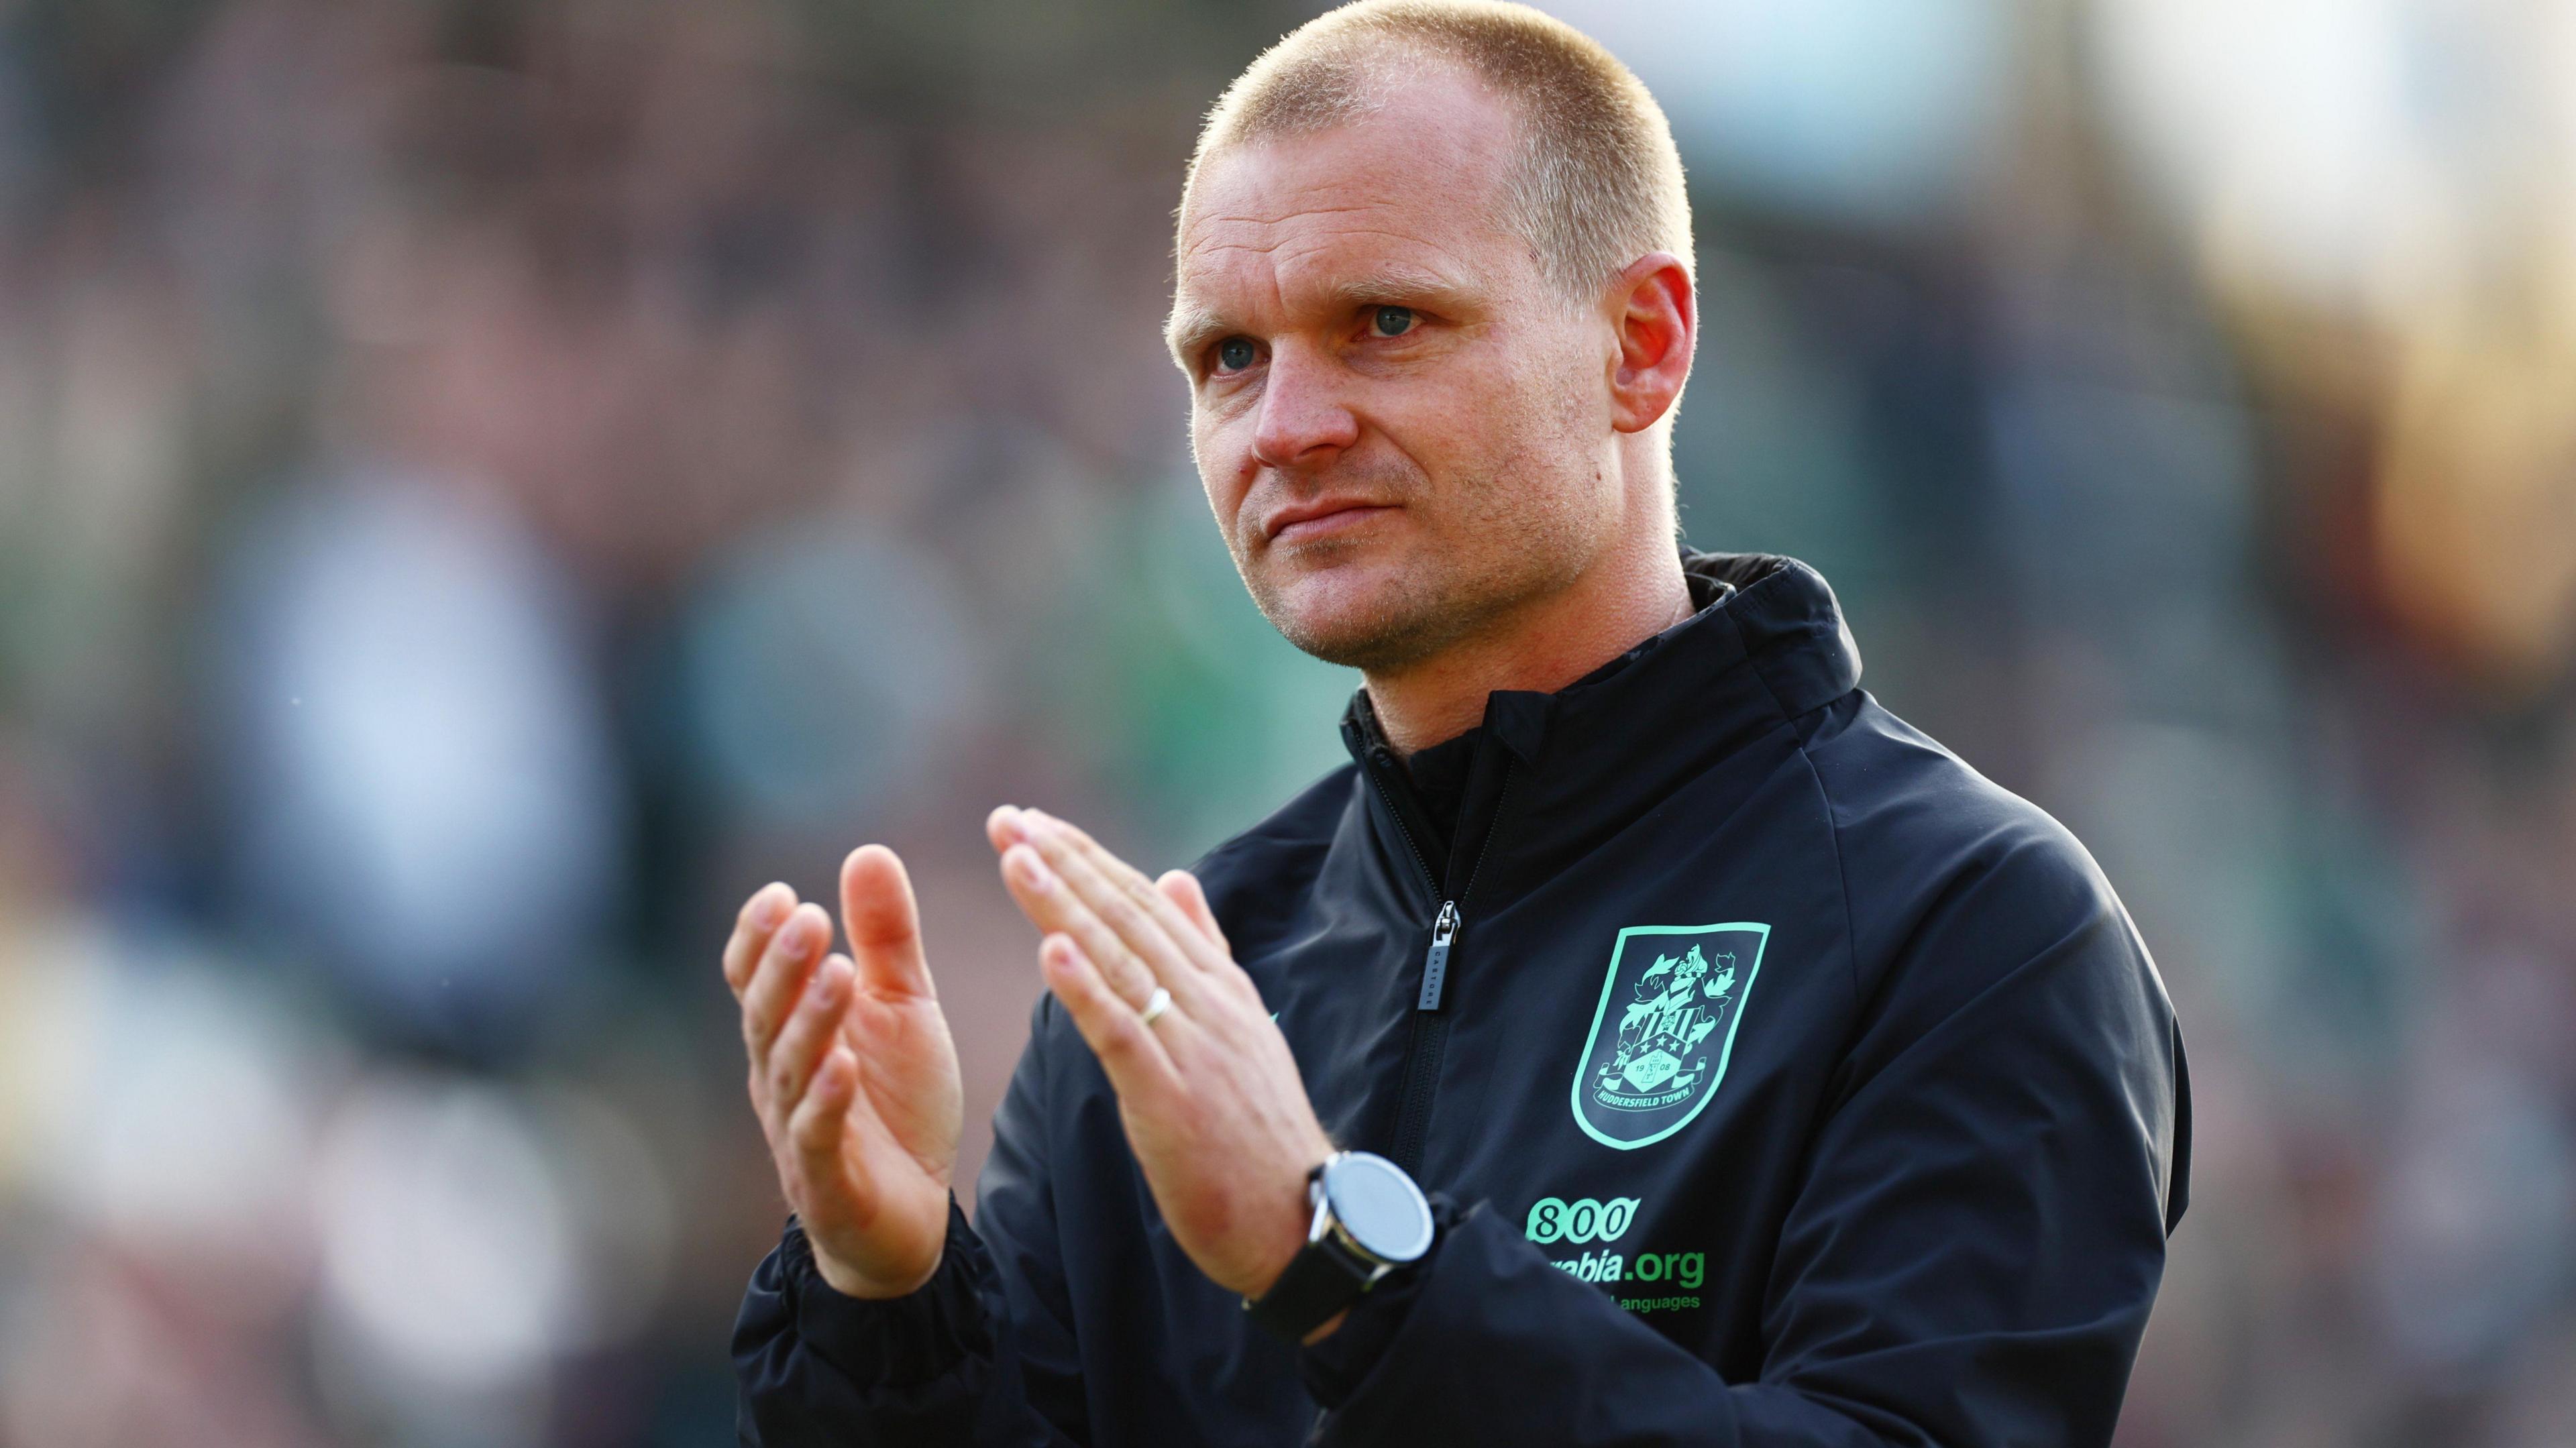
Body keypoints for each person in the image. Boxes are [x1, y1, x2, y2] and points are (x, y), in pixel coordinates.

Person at [726, 1, 2190, 1443]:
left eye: (1384, 323)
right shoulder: (1183, 984)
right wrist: (888, 1307)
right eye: (1229, 356)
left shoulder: (1972, 925)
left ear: (1642, 345)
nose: (1286, 425)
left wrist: (1339, 1268)